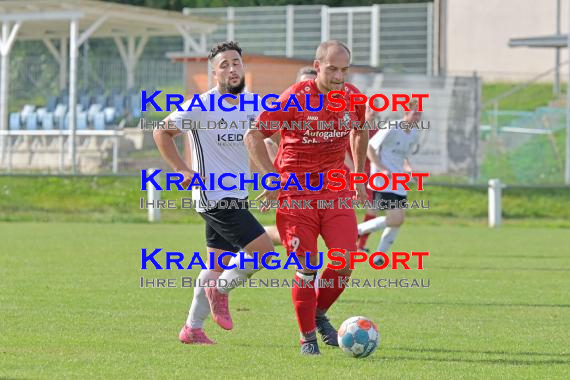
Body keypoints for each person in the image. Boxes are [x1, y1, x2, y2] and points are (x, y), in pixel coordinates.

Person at [245, 40, 369, 355]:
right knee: (308, 266)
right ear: (317, 67)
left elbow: (359, 130)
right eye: (332, 69)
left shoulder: (353, 97)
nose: (339, 76)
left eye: (344, 69)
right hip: (296, 194)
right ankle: (307, 337)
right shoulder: (294, 98)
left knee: (345, 259)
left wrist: (358, 177)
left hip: (335, 190)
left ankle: (317, 312)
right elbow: (254, 135)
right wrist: (270, 177)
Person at [154, 41, 275, 345]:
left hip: (237, 194)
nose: (232, 69)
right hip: (213, 196)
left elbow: (263, 141)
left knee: (217, 265)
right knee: (262, 251)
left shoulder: (252, 104)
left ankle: (192, 329)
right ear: (214, 72)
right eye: (224, 65)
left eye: (236, 62)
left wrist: (273, 175)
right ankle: (220, 290)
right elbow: (161, 131)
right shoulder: (199, 106)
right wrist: (182, 169)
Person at [357, 98, 422, 265]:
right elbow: (370, 146)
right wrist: (381, 168)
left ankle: (379, 256)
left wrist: (409, 169)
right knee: (395, 218)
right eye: (415, 113)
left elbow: (403, 155)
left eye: (419, 113)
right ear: (406, 113)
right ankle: (357, 231)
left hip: (398, 180)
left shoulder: (414, 133)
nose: (418, 116)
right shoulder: (393, 127)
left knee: (398, 220)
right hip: (383, 180)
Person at [263, 66, 318, 246]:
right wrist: (275, 177)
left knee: (309, 233)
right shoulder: (286, 112)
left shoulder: (329, 114)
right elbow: (266, 142)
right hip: (293, 185)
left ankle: (252, 237)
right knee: (300, 236)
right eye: (304, 84)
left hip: (320, 185)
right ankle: (251, 238)